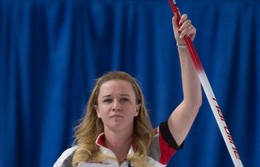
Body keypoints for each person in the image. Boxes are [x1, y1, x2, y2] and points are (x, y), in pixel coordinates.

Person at [54, 14, 202, 167]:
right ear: (97, 110)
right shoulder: (73, 158)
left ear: (136, 109)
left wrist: (183, 46)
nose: (116, 106)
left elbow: (192, 104)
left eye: (124, 99)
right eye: (107, 100)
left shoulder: (155, 148)